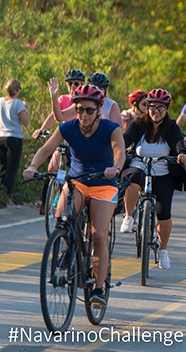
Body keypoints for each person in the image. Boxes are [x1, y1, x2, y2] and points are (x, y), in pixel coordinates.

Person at [24, 84, 125, 308]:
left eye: (89, 110)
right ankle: (71, 248)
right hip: (78, 182)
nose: (84, 114)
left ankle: (98, 289)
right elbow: (46, 149)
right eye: (79, 109)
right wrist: (32, 165)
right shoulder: (68, 127)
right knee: (62, 217)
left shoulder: (110, 128)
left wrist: (115, 167)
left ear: (99, 109)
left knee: (99, 236)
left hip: (104, 184)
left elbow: (120, 152)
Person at [120, 89, 186, 269]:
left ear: (166, 109)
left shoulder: (171, 127)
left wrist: (182, 153)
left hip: (162, 173)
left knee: (163, 213)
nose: (156, 111)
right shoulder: (138, 124)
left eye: (160, 107)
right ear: (147, 107)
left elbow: (178, 142)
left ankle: (163, 249)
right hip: (139, 166)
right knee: (132, 178)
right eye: (152, 107)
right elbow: (126, 139)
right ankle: (128, 216)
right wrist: (117, 147)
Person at [50, 72, 123, 126]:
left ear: (105, 91)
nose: (97, 92)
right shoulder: (82, 103)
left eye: (100, 89)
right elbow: (60, 117)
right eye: (94, 88)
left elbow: (120, 132)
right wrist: (54, 98)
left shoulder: (111, 105)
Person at [0, 79, 30, 202]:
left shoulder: (1, 101)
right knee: (11, 170)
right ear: (18, 91)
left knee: (2, 168)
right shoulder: (18, 104)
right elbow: (26, 122)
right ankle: (7, 197)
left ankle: (1, 195)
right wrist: (27, 109)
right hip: (14, 139)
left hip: (1, 137)